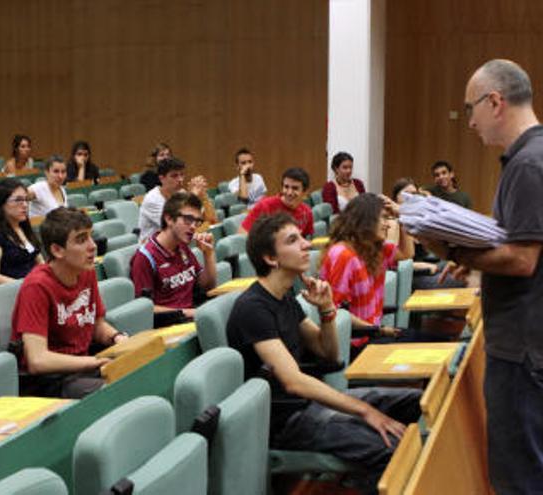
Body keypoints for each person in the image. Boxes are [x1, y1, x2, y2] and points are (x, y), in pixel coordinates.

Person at [419, 59, 543, 493]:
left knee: (518, 478)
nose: (469, 120)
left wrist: (454, 249)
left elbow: (524, 259)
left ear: (495, 102)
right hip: (528, 341)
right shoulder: (532, 157)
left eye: (471, 108)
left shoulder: (529, 164)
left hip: (522, 349)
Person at [227, 213, 420, 485]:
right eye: (293, 241)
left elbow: (328, 353)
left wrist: (327, 309)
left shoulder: (284, 298)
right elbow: (293, 382)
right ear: (271, 258)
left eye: (303, 238)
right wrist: (364, 411)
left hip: (310, 403)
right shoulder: (253, 309)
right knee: (392, 451)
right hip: (287, 419)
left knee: (416, 401)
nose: (306, 245)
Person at [10, 207, 128, 398]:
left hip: (83, 366)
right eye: (81, 240)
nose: (93, 246)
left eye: (90, 236)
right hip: (50, 380)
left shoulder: (86, 271)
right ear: (57, 250)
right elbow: (37, 360)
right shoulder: (37, 286)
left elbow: (96, 324)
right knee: (117, 392)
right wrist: (94, 362)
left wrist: (117, 338)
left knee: (140, 371)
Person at [318, 193, 414, 352]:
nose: (388, 225)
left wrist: (402, 216)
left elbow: (407, 253)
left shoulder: (373, 248)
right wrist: (378, 330)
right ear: (366, 220)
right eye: (383, 218)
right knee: (434, 346)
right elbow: (335, 312)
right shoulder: (343, 255)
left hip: (372, 335)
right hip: (355, 345)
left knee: (439, 341)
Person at [130, 192, 217, 319]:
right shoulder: (145, 257)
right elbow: (145, 309)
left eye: (197, 221)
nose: (193, 227)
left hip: (192, 316)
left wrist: (208, 255)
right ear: (169, 219)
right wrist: (187, 312)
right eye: (188, 219)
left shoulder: (182, 246)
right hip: (171, 324)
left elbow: (207, 285)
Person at [0, 178, 43, 284]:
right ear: (2, 203)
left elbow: (40, 261)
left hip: (36, 285)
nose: (25, 205)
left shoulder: (24, 228)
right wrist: (26, 287)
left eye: (26, 200)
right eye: (18, 200)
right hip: (13, 292)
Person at [138, 157, 216, 243]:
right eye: (174, 176)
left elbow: (210, 220)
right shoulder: (152, 199)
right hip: (153, 248)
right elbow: (177, 226)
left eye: (182, 174)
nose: (180, 179)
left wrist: (203, 197)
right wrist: (193, 196)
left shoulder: (181, 193)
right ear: (161, 179)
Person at [239, 167, 314, 237]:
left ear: (305, 192)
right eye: (286, 187)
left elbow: (305, 240)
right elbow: (242, 234)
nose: (289, 192)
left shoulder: (307, 212)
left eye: (295, 188)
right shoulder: (266, 206)